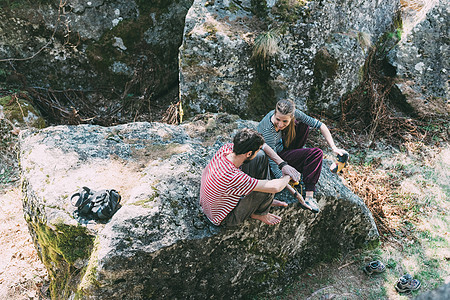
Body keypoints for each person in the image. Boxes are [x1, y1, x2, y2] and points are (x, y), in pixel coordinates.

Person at [257, 99, 347, 213]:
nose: (280, 124)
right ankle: (309, 197)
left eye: (285, 121)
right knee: (317, 153)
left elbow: (320, 125)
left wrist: (334, 148)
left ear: (291, 116)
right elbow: (274, 163)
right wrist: (290, 187)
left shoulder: (295, 114)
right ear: (274, 113)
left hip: (285, 147)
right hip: (275, 158)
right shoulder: (268, 129)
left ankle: (301, 158)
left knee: (304, 124)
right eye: (278, 119)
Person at [200, 128, 298, 227]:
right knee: (267, 189)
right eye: (255, 150)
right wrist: (288, 176)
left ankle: (261, 203)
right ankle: (258, 213)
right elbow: (275, 187)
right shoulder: (234, 177)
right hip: (225, 217)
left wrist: (283, 165)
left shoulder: (226, 149)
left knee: (260, 156)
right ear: (249, 153)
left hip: (211, 204)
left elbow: (263, 146)